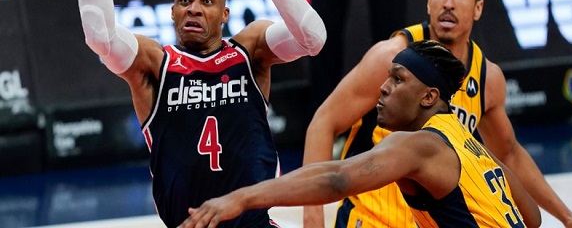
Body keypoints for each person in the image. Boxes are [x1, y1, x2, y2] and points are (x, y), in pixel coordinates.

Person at [76, 0, 326, 228]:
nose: (194, 7)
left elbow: (314, 39)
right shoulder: (155, 64)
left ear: (225, 14)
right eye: (185, 0)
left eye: (207, 1)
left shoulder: (250, 51)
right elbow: (99, 33)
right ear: (173, 13)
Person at [302, 0, 572, 228]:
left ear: (478, 8)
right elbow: (323, 122)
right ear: (428, 1)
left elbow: (508, 154)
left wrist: (566, 216)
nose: (448, 3)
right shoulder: (391, 56)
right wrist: (312, 220)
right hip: (371, 220)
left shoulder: (487, 77)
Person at [179, 40, 542, 228]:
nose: (383, 88)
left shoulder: (421, 144)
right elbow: (533, 217)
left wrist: (242, 198)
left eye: (398, 79)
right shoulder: (470, 143)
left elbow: (337, 178)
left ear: (429, 97)